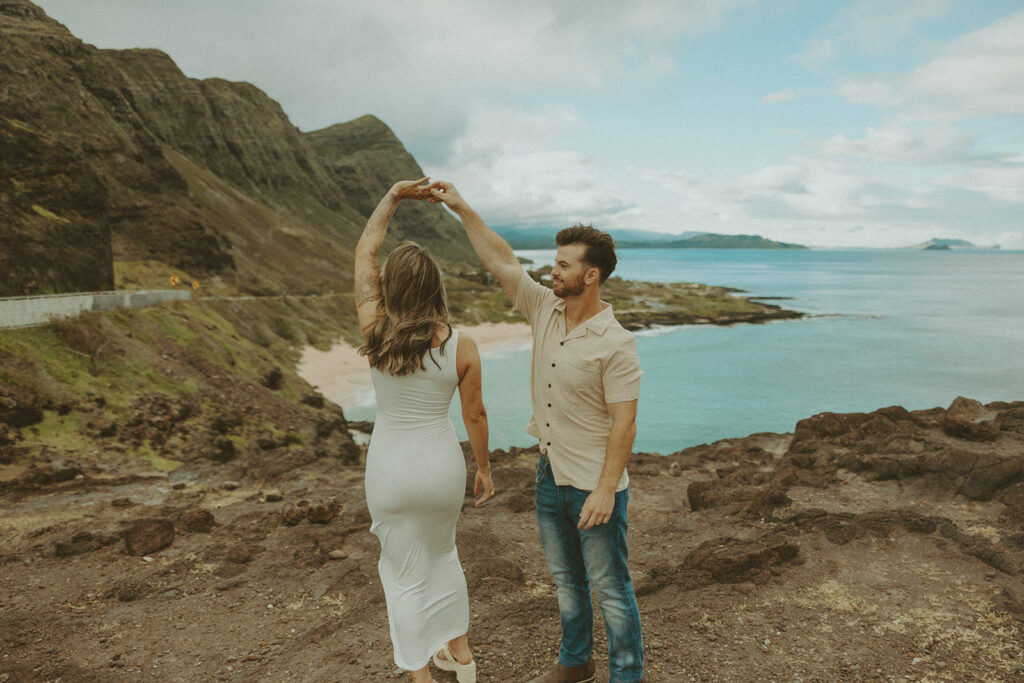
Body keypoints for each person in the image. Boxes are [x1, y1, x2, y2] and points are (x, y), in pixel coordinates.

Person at [429, 181, 644, 683]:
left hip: (595, 483)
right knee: (568, 582)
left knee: (610, 587)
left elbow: (625, 423)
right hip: (550, 475)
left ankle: (627, 675)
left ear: (590, 276)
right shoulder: (545, 309)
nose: (554, 269)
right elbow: (501, 262)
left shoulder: (617, 343)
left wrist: (607, 490)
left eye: (564, 265)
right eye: (556, 262)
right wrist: (461, 206)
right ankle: (576, 663)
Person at [355, 177, 496, 683]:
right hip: (440, 468)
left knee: (401, 573)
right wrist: (484, 468)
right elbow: (475, 416)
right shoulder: (462, 345)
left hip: (390, 470)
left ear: (390, 286)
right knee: (443, 556)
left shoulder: (375, 330)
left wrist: (391, 197)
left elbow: (365, 253)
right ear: (436, 284)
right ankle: (461, 659)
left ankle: (420, 677)